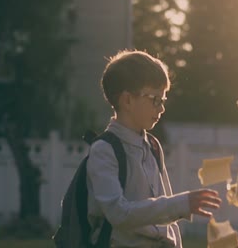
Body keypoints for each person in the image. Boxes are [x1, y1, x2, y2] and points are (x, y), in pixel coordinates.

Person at [86, 50, 222, 247]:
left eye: (163, 100)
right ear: (127, 100)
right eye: (155, 99)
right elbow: (118, 213)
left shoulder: (153, 146)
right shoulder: (104, 150)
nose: (161, 108)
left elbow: (168, 223)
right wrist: (180, 204)